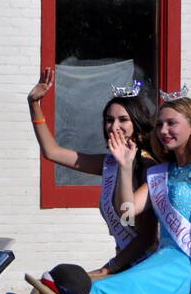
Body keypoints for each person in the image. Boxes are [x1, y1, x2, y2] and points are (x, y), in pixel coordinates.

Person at [89, 93, 191, 294]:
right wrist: (125, 167)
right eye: (159, 125)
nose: (163, 130)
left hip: (189, 267)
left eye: (171, 123)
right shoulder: (161, 173)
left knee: (102, 291)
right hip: (162, 261)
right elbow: (127, 212)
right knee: (100, 289)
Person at [26, 69, 156, 278]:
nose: (115, 126)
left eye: (123, 120)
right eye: (109, 120)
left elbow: (146, 238)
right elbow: (52, 152)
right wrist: (34, 105)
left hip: (142, 267)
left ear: (137, 122)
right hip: (121, 263)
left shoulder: (148, 165)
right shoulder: (109, 163)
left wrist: (106, 270)